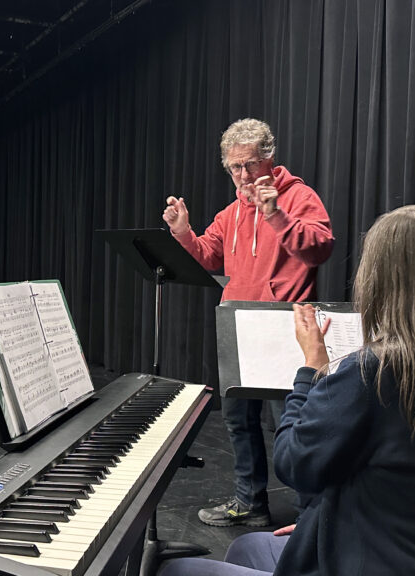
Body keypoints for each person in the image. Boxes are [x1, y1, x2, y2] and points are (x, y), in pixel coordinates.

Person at [158, 202, 415, 575]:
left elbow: (295, 463)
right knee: (249, 545)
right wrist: (334, 516)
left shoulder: (372, 372)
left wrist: (311, 369)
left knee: (174, 571)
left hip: (373, 559)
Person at [162, 118, 333, 527]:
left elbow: (320, 249)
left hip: (284, 330)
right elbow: (208, 256)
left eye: (250, 165)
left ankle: (312, 517)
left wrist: (275, 215)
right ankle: (249, 502)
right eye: (234, 168)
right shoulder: (231, 212)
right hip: (238, 328)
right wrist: (184, 234)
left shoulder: (300, 197)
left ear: (269, 160)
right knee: (239, 421)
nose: (243, 175)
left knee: (290, 426)